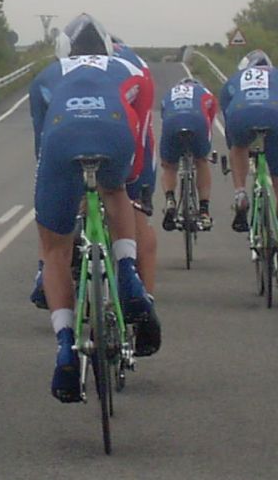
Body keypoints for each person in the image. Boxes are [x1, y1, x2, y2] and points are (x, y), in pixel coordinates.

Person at [29, 13, 159, 402]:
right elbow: (143, 134)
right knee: (117, 190)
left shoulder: (47, 75)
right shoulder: (129, 68)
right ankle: (127, 272)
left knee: (54, 248)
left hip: (62, 143)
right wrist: (136, 182)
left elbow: (41, 146)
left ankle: (65, 346)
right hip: (115, 135)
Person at [217, 49, 278, 286]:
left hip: (240, 115)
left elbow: (228, 121)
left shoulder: (233, 80)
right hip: (274, 115)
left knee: (238, 147)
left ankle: (240, 193)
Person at [111, 38, 162, 357]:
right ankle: (146, 307)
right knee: (136, 214)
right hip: (132, 140)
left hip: (78, 141)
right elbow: (143, 123)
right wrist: (136, 175)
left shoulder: (68, 64)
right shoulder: (135, 64)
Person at [159, 76, 219, 232]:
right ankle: (204, 210)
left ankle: (170, 200)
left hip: (172, 122)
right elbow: (210, 121)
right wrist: (203, 151)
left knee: (169, 166)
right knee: (202, 161)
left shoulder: (170, 93)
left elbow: (163, 117)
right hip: (197, 121)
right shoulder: (204, 92)